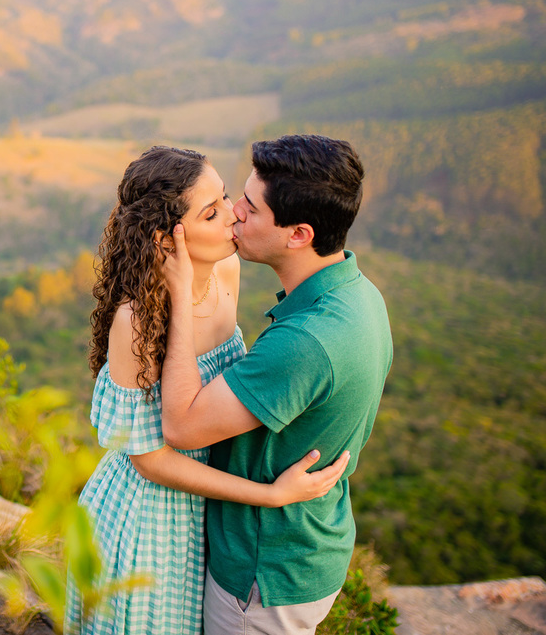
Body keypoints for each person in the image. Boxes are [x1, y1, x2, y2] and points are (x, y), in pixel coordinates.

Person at [64, 145, 349, 635]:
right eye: (211, 212)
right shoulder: (135, 321)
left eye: (227, 199)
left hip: (208, 516)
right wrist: (269, 495)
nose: (233, 218)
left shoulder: (228, 272)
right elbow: (149, 460)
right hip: (148, 521)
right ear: (166, 236)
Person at [159, 134, 393, 635]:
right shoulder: (361, 295)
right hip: (313, 544)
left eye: (250, 207)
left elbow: (179, 426)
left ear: (298, 234)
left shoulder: (307, 343)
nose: (234, 214)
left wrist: (179, 295)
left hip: (264, 572)